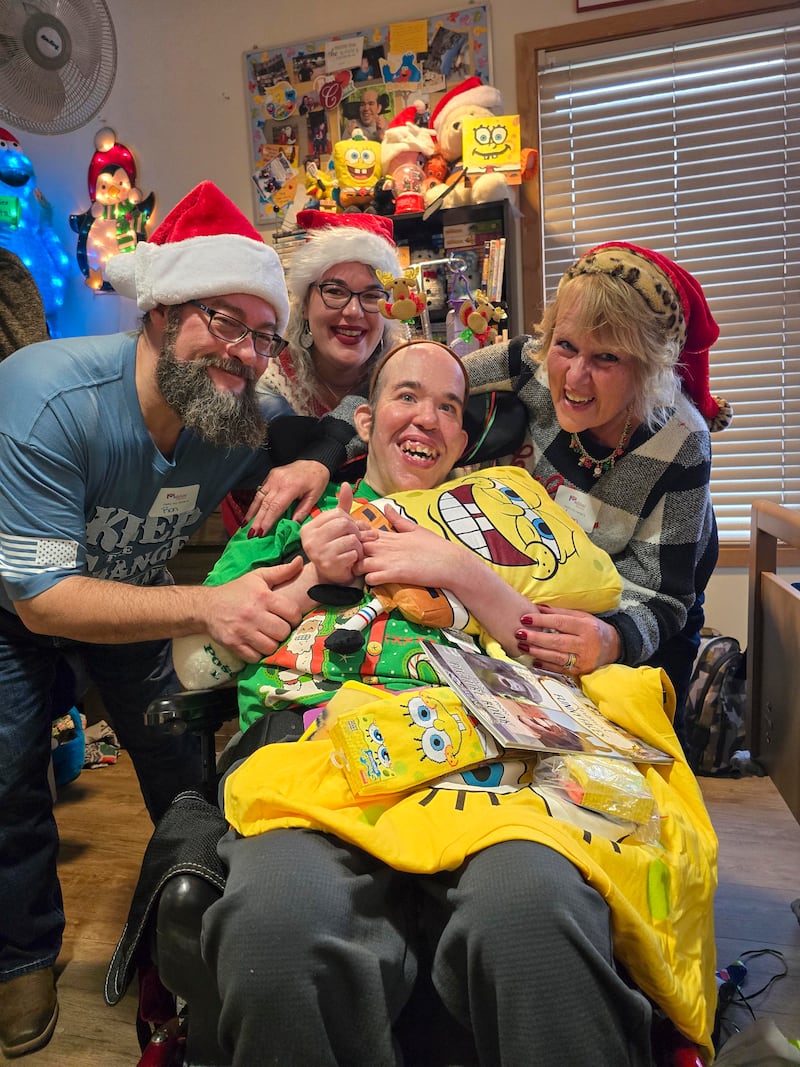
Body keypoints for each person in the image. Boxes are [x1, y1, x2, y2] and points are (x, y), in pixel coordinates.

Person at [199, 340, 715, 1065]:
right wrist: (306, 577)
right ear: (366, 418)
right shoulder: (284, 530)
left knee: (535, 914)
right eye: (408, 395)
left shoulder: (507, 532)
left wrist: (460, 570)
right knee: (275, 929)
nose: (429, 418)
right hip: (317, 769)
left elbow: (559, 654)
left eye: (449, 407)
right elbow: (197, 665)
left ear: (462, 441)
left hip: (487, 765)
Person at [0, 180, 307, 1059]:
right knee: (8, 766)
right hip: (16, 604)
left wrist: (316, 467)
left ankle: (193, 929)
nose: (245, 351)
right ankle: (20, 953)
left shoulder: (234, 411)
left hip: (131, 600)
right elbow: (44, 598)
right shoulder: (47, 398)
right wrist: (209, 602)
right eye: (223, 319)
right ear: (164, 311)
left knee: (182, 762)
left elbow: (327, 432)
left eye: (262, 333)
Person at [249, 242, 731, 738]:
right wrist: (320, 456)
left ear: (647, 365)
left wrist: (614, 640)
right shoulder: (531, 362)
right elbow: (403, 380)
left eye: (606, 358)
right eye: (566, 346)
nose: (575, 377)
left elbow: (664, 597)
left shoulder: (680, 443)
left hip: (636, 603)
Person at [218, 208, 403, 535]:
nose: (353, 311)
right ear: (305, 304)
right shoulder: (264, 386)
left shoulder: (405, 369)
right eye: (334, 291)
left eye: (372, 295)